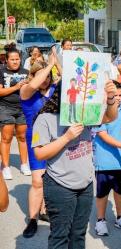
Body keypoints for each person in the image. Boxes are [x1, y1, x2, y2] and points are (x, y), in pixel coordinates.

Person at [31, 80, 118, 249]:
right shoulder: (45, 118)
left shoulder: (84, 114)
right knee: (60, 237)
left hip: (85, 185)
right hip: (59, 186)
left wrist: (111, 98)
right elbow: (39, 153)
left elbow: (110, 117)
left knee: (78, 235)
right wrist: (66, 137)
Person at [20, 50, 62, 238]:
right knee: (37, 180)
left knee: (51, 178)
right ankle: (33, 219)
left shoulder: (55, 90)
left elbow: (70, 80)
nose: (44, 80)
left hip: (55, 138)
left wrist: (57, 63)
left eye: (47, 76)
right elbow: (35, 83)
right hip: (35, 139)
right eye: (40, 76)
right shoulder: (26, 91)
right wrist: (48, 66)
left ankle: (45, 210)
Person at [93, 82, 121, 236]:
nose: (118, 98)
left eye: (120, 95)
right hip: (104, 160)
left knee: (120, 190)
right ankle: (100, 220)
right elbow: (102, 134)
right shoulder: (100, 110)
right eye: (115, 95)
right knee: (102, 193)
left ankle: (120, 218)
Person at [0, 43, 29, 180]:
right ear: (7, 60)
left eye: (17, 59)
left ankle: (24, 164)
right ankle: (5, 167)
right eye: (12, 59)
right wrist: (16, 87)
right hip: (5, 108)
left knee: (22, 137)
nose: (15, 61)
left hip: (22, 108)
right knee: (6, 138)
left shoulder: (26, 73)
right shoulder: (1, 71)